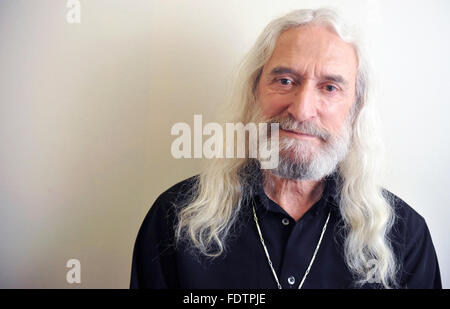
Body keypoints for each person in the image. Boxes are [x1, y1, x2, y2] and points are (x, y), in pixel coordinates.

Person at [130, 8, 441, 289]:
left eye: (330, 87)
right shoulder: (174, 220)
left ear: (355, 109)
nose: (302, 110)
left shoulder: (404, 238)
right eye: (285, 80)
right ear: (254, 92)